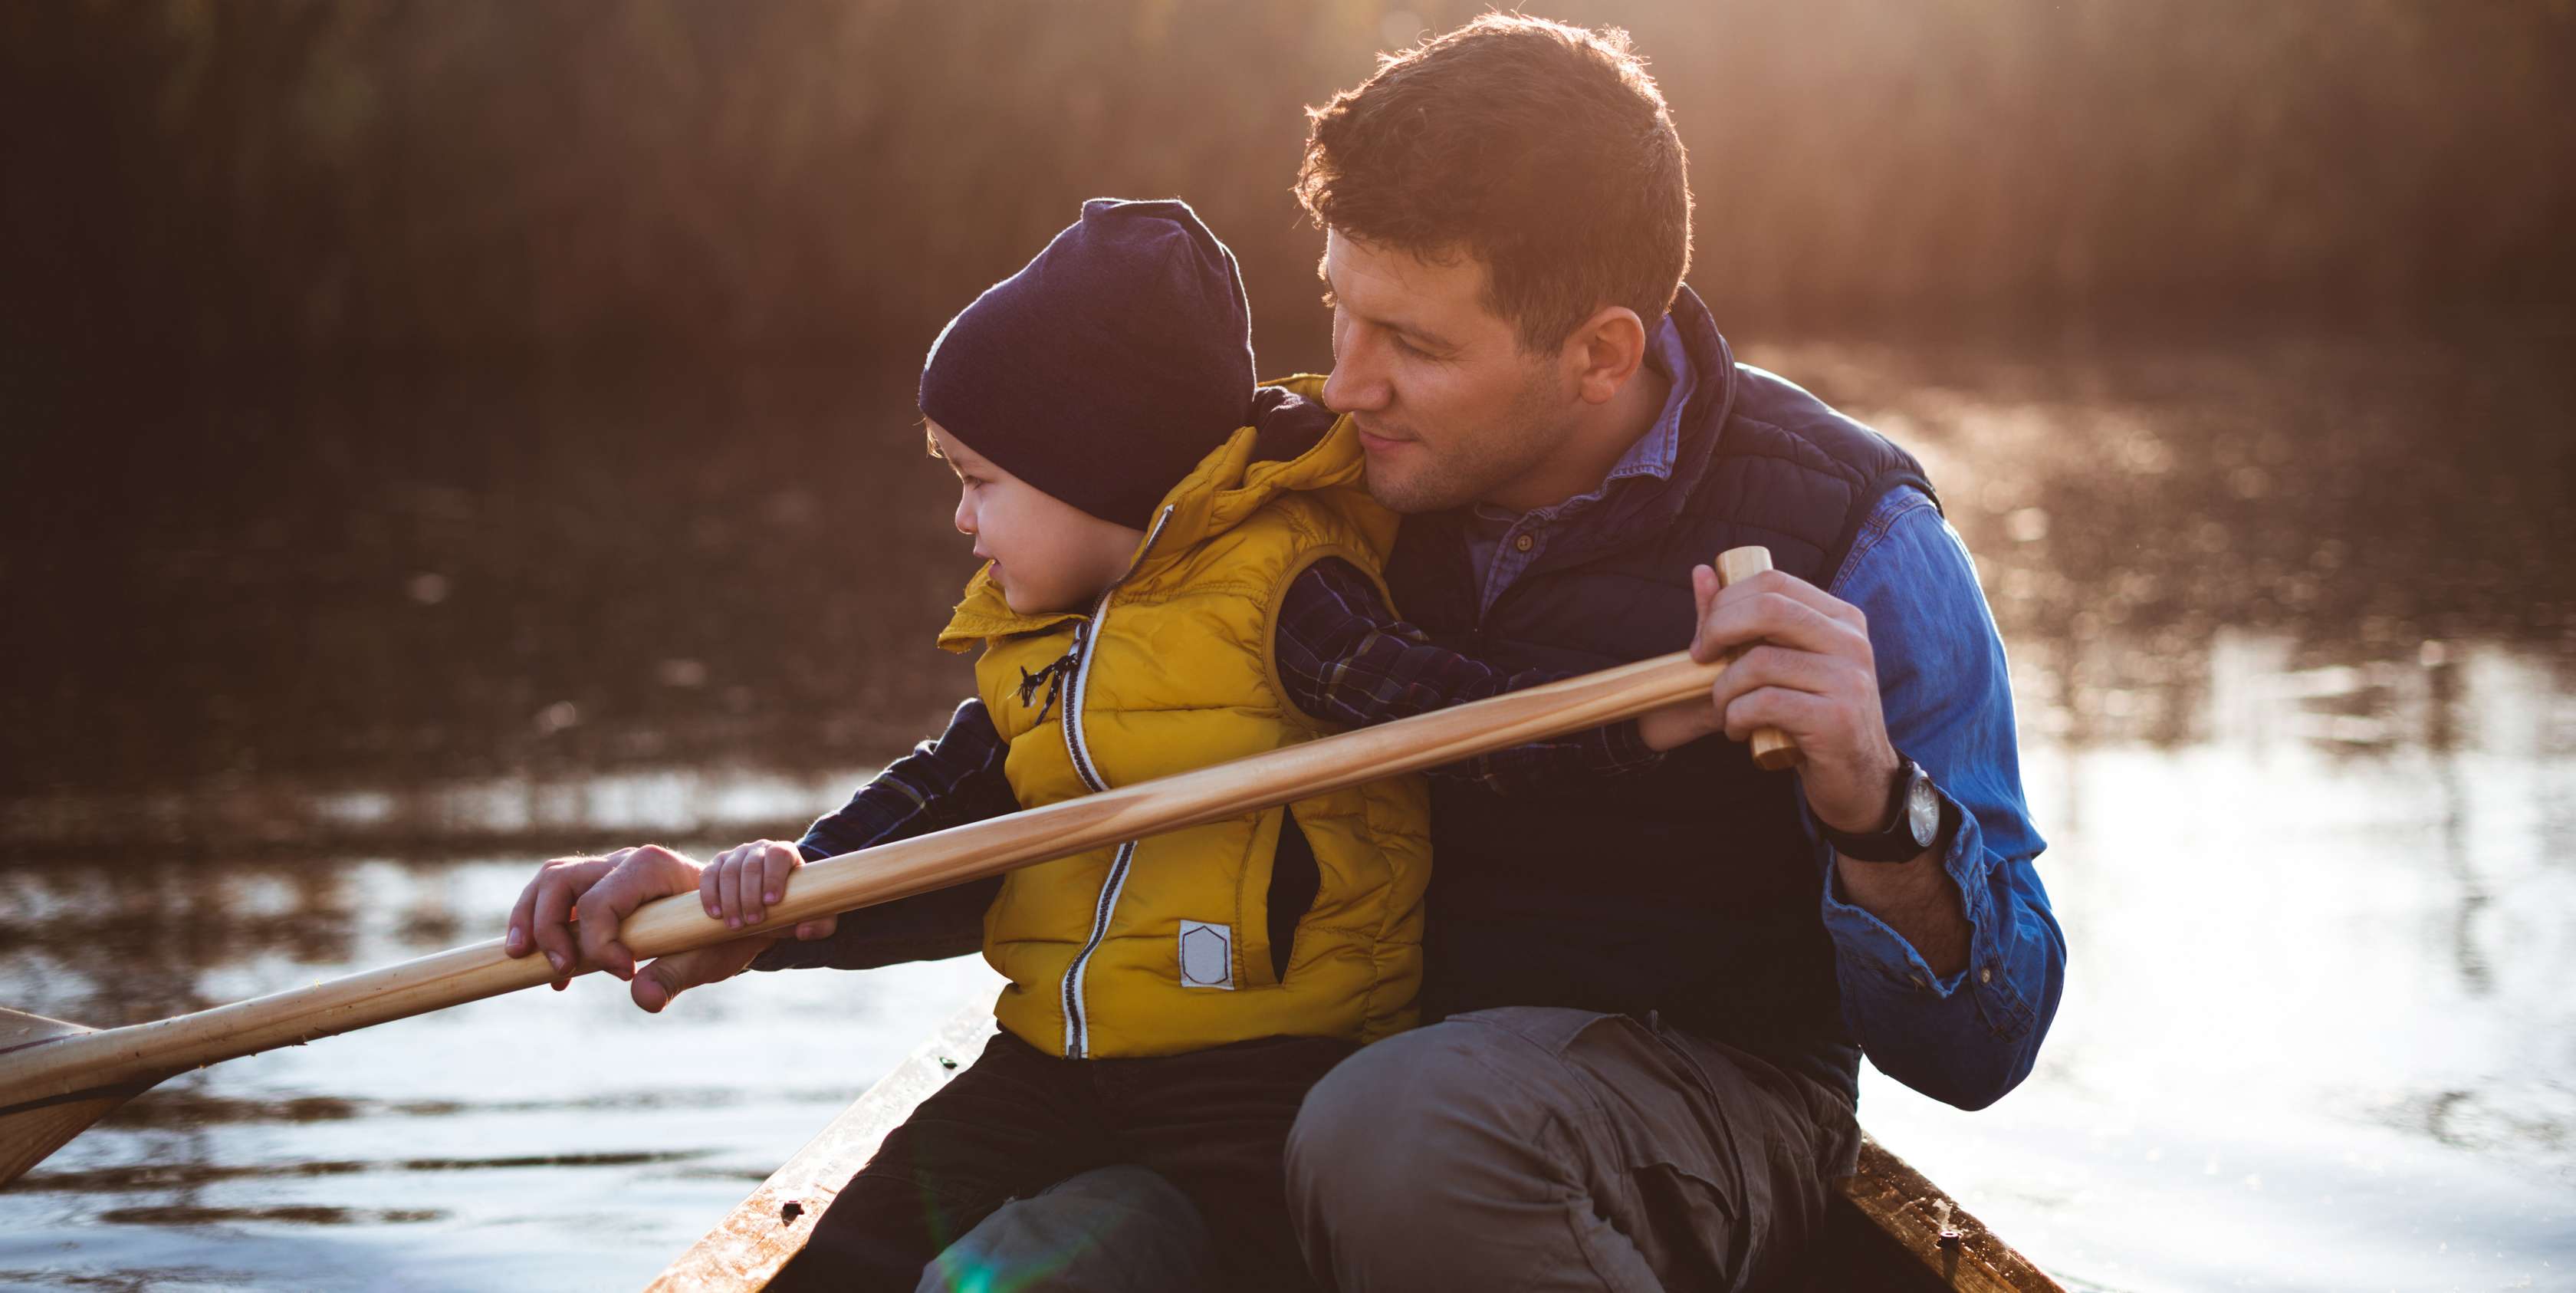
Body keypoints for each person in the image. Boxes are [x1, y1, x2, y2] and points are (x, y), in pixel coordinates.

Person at [504, 196, 1720, 1291]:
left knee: (1267, 1263)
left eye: (978, 479)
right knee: (856, 1252)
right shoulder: (1040, 645)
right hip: (1055, 1059)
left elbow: (1453, 720)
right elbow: (943, 803)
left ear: (1100, 472)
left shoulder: (1283, 596)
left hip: (1257, 1072)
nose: (961, 517)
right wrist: (776, 889)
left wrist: (1641, 716)